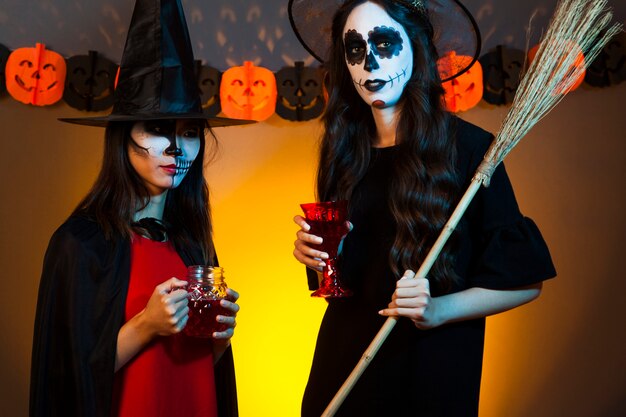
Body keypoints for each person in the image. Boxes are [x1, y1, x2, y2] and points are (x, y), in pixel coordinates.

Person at [288, 0, 557, 416]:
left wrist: (439, 309)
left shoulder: (471, 151)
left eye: (383, 42)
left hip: (431, 376)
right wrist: (323, 258)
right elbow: (343, 288)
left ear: (416, 48)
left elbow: (526, 281)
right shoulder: (342, 153)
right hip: (343, 371)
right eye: (355, 49)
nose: (370, 62)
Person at [29, 1, 252, 416]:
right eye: (157, 128)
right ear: (122, 135)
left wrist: (220, 338)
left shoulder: (193, 245)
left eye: (189, 132)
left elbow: (197, 369)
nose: (176, 148)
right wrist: (146, 325)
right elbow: (66, 381)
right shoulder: (80, 244)